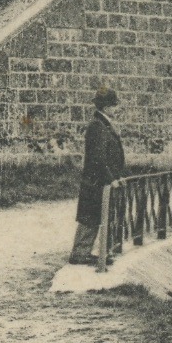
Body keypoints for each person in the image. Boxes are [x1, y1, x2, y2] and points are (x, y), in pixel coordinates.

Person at [69, 87, 127, 265]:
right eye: (115, 105)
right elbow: (99, 158)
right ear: (107, 107)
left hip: (99, 180)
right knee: (90, 217)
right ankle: (80, 253)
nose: (117, 109)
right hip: (96, 181)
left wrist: (117, 176)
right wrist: (111, 179)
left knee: (94, 216)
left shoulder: (102, 124)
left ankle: (89, 252)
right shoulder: (98, 126)